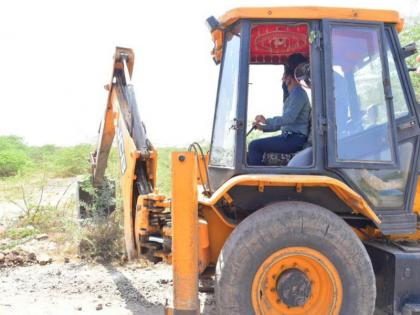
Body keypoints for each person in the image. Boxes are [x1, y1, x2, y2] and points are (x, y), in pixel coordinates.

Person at [247, 66, 311, 165]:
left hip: (294, 139)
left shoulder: (298, 94)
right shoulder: (294, 95)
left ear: (288, 78)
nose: (283, 80)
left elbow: (288, 118)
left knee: (254, 146)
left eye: (284, 77)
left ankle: (256, 179)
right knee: (255, 146)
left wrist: (266, 120)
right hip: (290, 137)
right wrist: (263, 128)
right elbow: (284, 123)